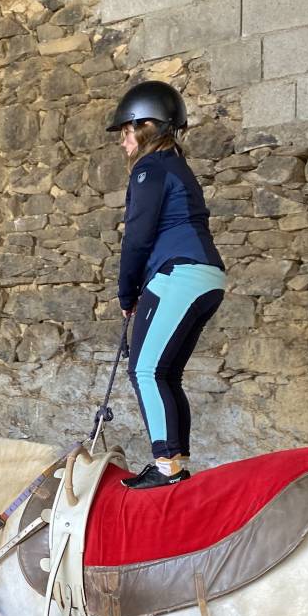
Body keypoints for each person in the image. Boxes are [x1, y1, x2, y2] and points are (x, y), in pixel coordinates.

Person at [106, 81, 226, 491]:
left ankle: (167, 468)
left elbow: (137, 236)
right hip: (206, 277)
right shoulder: (177, 167)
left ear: (146, 127)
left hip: (181, 273)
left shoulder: (149, 168)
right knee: (166, 372)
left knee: (145, 370)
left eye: (126, 131)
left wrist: (127, 294)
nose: (123, 141)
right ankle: (175, 461)